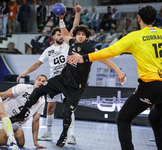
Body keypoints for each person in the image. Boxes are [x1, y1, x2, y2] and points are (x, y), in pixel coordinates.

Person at [10, 4, 126, 149]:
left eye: (84, 35)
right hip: (61, 79)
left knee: (67, 113)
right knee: (38, 91)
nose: (81, 36)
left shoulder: (88, 48)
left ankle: (65, 134)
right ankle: (21, 115)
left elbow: (105, 58)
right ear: (76, 35)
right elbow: (65, 34)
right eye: (79, 34)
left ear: (86, 37)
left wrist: (118, 71)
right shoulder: (69, 43)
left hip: (76, 87)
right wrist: (61, 19)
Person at [66, 5, 162, 150]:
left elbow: (111, 51)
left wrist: (84, 58)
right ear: (154, 19)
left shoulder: (135, 36)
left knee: (123, 118)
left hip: (151, 86)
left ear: (139, 18)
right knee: (155, 118)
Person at [16, 2, 84, 145]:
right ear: (53, 36)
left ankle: (71, 135)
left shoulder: (67, 43)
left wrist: (77, 13)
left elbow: (74, 28)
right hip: (55, 81)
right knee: (50, 107)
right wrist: (25, 72)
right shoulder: (48, 51)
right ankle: (48, 133)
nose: (61, 36)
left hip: (68, 80)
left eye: (61, 34)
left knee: (69, 108)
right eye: (58, 34)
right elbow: (38, 63)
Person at [0, 74, 47, 149]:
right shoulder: (23, 87)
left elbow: (35, 121)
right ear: (35, 81)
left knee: (21, 143)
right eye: (39, 80)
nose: (40, 82)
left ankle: (6, 134)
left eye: (43, 81)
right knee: (1, 141)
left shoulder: (42, 101)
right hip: (4, 115)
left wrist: (36, 142)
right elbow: (3, 95)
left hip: (16, 122)